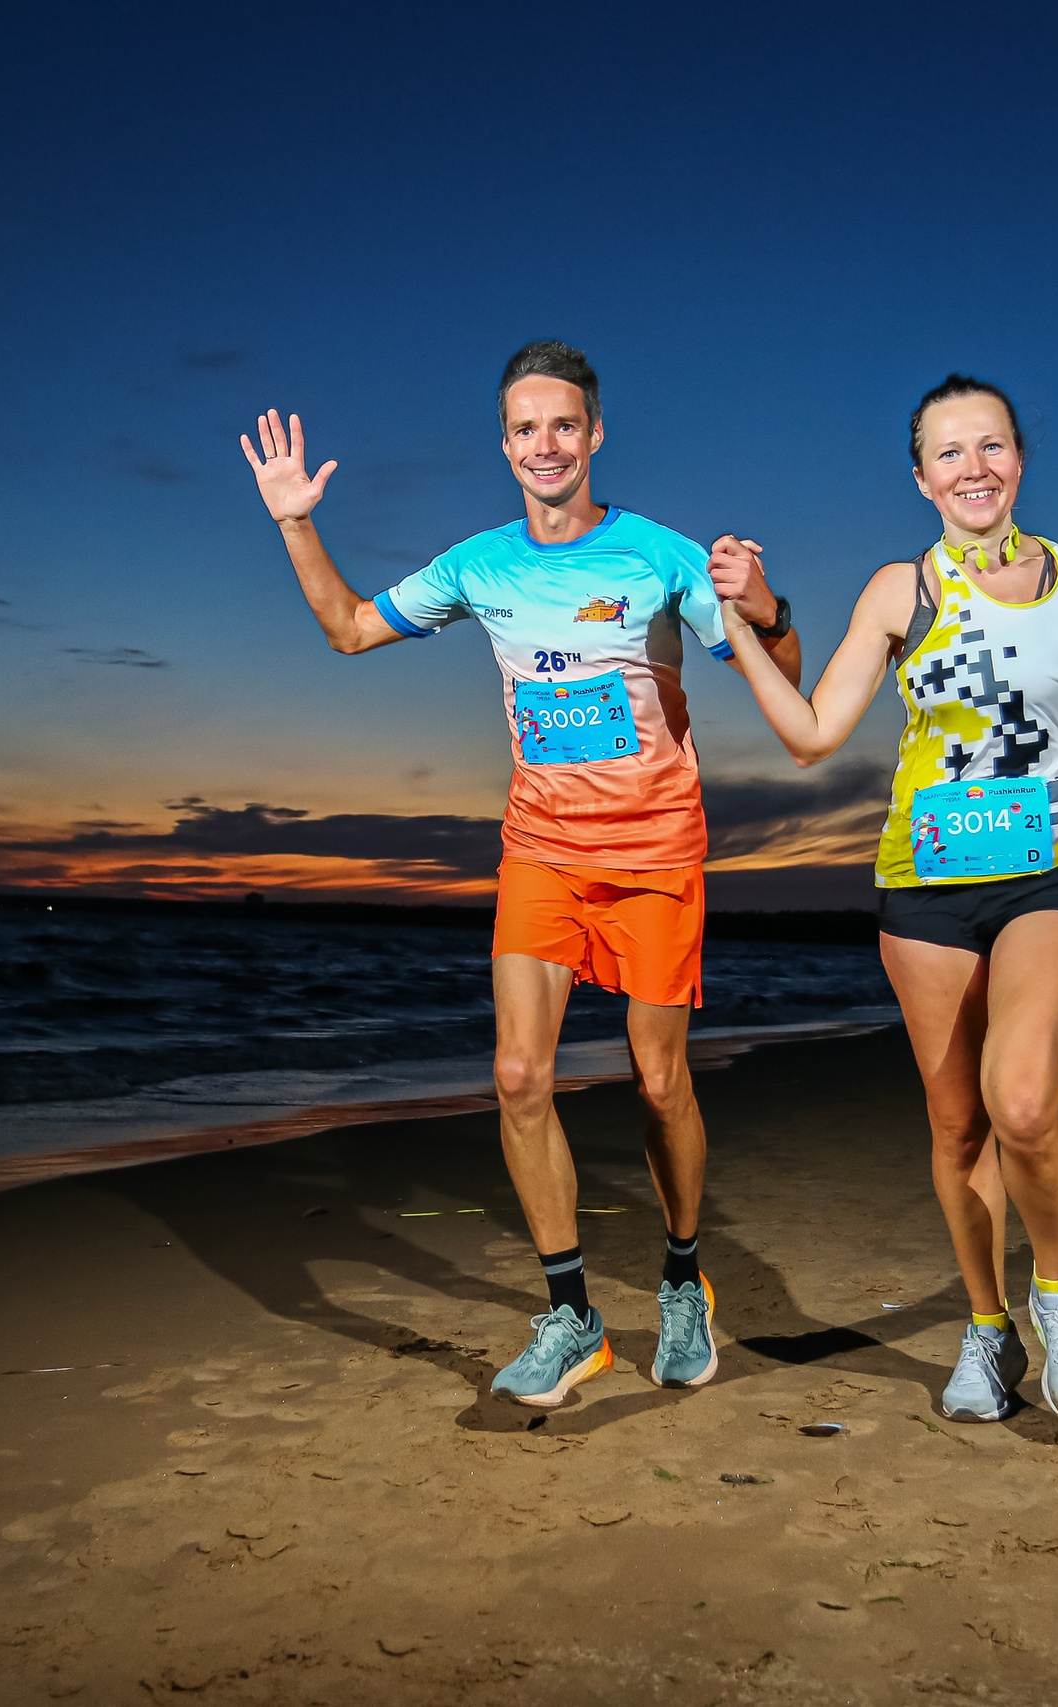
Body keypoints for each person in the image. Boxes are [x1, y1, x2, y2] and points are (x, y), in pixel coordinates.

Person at [241, 340, 802, 1407]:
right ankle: (570, 1315)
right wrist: (293, 521)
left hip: (652, 853)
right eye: (524, 429)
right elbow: (350, 631)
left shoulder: (662, 556)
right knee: (515, 1077)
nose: (544, 445)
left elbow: (785, 678)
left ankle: (684, 1282)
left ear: (593, 435)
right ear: (505, 447)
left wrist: (765, 606)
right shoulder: (477, 564)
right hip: (540, 848)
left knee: (657, 1081)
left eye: (562, 425)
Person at [709, 374, 1058, 1422]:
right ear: (920, 479)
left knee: (1023, 1104)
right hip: (925, 883)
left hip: (1051, 868)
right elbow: (815, 734)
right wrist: (737, 628)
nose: (973, 469)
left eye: (990, 446)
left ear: (1019, 459)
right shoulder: (896, 592)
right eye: (949, 454)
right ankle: (987, 1332)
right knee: (957, 1130)